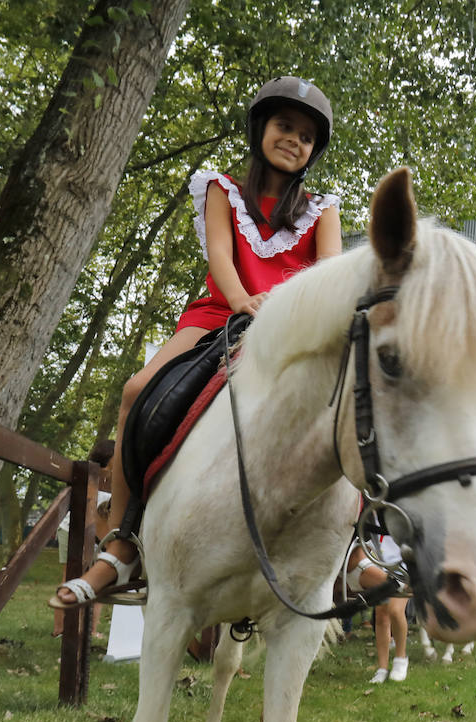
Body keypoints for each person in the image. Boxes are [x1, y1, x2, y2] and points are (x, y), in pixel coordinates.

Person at [49, 77, 340, 612]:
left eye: (305, 136)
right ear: (261, 130)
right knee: (138, 390)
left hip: (293, 325)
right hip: (219, 313)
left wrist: (292, 317)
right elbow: (222, 261)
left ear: (313, 151)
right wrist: (246, 302)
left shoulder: (322, 208)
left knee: (348, 399)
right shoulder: (221, 188)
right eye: (284, 127)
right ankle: (120, 545)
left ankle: (359, 548)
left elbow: (329, 276)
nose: (293, 140)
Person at [53, 440, 115, 638]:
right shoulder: (88, 475)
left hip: (100, 535)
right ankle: (60, 629)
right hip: (72, 529)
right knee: (70, 578)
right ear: (109, 458)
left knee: (96, 583)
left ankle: (90, 630)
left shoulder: (116, 483)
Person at [346, 538, 410, 683]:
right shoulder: (374, 517)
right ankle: (382, 669)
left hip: (405, 565)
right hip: (381, 564)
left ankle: (401, 659)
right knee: (381, 616)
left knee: (395, 610)